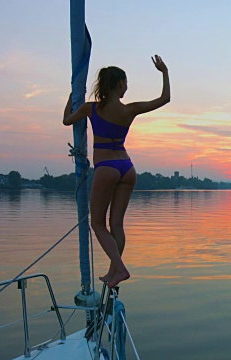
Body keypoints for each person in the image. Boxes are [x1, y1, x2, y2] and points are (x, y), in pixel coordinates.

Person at [63, 55, 170, 287]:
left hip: (107, 168)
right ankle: (113, 273)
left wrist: (71, 98)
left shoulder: (90, 108)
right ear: (119, 84)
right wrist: (164, 72)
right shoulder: (130, 110)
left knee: (98, 224)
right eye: (126, 82)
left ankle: (120, 269)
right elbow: (165, 99)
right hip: (127, 168)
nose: (128, 86)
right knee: (117, 225)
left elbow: (66, 121)